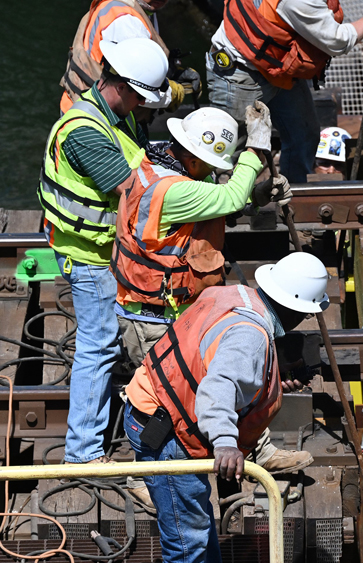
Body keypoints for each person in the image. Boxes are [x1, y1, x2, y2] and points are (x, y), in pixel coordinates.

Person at [122, 251, 330, 563]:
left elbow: (212, 358)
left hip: (158, 407)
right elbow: (216, 390)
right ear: (296, 310)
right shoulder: (250, 336)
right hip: (166, 427)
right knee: (187, 530)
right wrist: (226, 443)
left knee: (197, 518)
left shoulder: (234, 295)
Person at [113, 101, 312, 508]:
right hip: (153, 314)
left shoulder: (162, 167)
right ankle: (141, 474)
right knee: (167, 395)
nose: (210, 169)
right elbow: (225, 197)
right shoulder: (173, 188)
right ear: (189, 153)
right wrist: (256, 150)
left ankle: (259, 449)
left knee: (226, 375)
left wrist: (257, 196)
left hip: (179, 306)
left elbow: (221, 205)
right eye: (208, 162)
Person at [38, 38, 168, 467]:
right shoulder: (85, 131)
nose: (143, 107)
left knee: (106, 342)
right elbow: (133, 189)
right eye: (141, 98)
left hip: (104, 248)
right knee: (99, 346)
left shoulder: (114, 114)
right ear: (124, 87)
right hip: (89, 255)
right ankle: (83, 454)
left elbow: (141, 161)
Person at [206, 0, 363, 182]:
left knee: (304, 136)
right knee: (228, 152)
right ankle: (228, 210)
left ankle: (292, 197)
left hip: (276, 66)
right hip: (241, 73)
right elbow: (337, 40)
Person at [60, 0, 202, 115]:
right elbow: (134, 87)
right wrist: (172, 94)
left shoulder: (135, 7)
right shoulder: (126, 22)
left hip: (86, 107)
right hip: (92, 116)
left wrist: (173, 74)